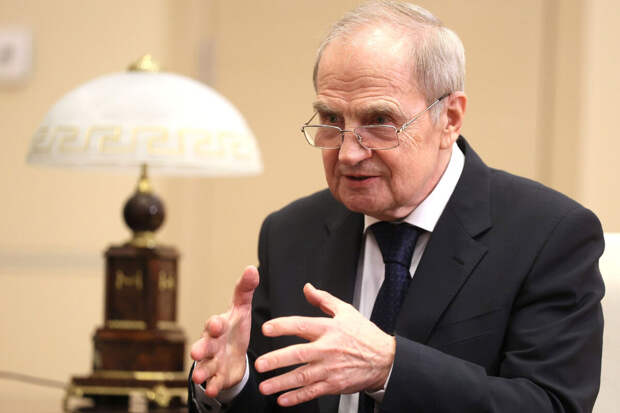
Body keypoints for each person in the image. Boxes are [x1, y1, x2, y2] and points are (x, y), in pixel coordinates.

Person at [188, 1, 605, 412]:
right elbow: (276, 396)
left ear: (450, 118)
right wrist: (234, 383)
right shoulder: (289, 232)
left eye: (379, 122)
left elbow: (551, 404)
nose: (349, 153)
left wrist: (389, 368)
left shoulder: (549, 235)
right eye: (331, 120)